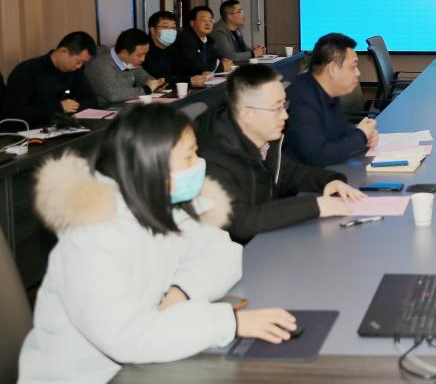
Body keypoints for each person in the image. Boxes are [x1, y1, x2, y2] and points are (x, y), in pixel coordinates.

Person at [18, 105, 298, 383]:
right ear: (151, 164)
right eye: (189, 156)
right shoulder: (90, 239)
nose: (199, 163)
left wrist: (181, 292)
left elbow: (224, 252)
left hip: (142, 365)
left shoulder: (163, 203)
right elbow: (126, 337)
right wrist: (229, 324)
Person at [197, 64, 365, 243]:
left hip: (265, 240)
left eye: (285, 105)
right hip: (237, 253)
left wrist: (330, 180)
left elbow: (289, 172)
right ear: (247, 114)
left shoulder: (263, 137)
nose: (285, 115)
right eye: (277, 108)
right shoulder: (212, 156)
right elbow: (240, 222)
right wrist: (316, 206)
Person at [285, 33, 378, 166]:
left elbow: (340, 130)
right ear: (333, 69)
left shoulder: (327, 90)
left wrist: (364, 136)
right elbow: (317, 155)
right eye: (353, 67)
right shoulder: (302, 99)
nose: (358, 73)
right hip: (300, 176)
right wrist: (361, 136)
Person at [1, 31, 99, 127]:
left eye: (83, 63)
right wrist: (58, 108)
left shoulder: (75, 71)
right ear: (63, 52)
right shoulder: (26, 71)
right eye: (78, 62)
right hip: (30, 130)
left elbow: (92, 101)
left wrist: (71, 108)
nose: (79, 66)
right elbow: (14, 113)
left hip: (63, 127)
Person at [84, 28, 165, 106]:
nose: (143, 59)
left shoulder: (130, 61)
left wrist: (156, 84)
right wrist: (146, 89)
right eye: (139, 55)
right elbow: (114, 95)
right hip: (101, 110)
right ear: (124, 53)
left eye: (145, 54)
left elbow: (143, 77)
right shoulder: (102, 64)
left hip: (122, 107)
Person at [144, 11, 206, 89]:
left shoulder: (174, 48)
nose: (170, 31)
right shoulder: (144, 51)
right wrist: (188, 80)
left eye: (173, 27)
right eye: (165, 27)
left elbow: (183, 70)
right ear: (153, 30)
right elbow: (158, 79)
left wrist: (200, 74)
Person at [169, 6, 233, 81]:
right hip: (184, 82)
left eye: (210, 20)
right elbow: (196, 66)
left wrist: (224, 61)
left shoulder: (209, 39)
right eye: (203, 20)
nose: (208, 23)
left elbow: (218, 57)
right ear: (192, 23)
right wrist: (221, 67)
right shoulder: (186, 39)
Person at [211, 0, 266, 65]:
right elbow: (230, 56)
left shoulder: (236, 28)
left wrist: (257, 50)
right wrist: (253, 53)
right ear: (229, 16)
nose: (243, 14)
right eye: (240, 12)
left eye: (242, 11)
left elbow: (244, 49)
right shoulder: (218, 31)